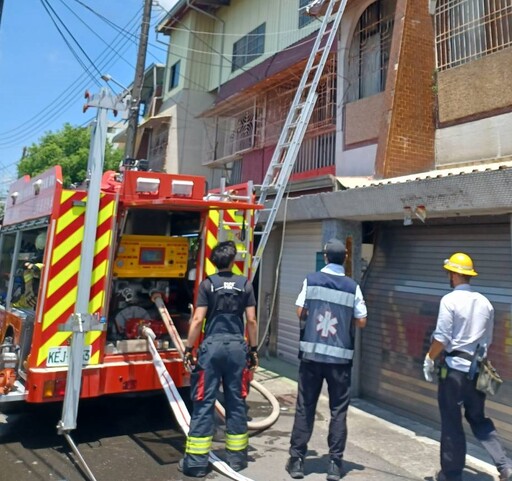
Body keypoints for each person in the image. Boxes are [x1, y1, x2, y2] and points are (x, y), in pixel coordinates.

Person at [423, 252, 512, 481]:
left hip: (453, 372)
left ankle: (451, 475)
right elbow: (488, 341)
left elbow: (441, 339)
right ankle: (504, 466)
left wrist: (430, 358)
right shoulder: (485, 303)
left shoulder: (449, 300)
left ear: (453, 274)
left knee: (452, 421)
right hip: (476, 372)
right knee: (478, 418)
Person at [286, 238, 367, 481]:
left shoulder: (311, 280)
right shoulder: (353, 286)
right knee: (338, 410)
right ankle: (334, 463)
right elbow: (362, 320)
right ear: (345, 259)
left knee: (305, 407)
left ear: (325, 256)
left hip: (311, 357)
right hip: (340, 361)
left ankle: (298, 460)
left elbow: (300, 310)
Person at [179, 240, 259, 477]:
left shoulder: (207, 285)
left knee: (204, 402)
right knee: (236, 402)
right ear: (233, 261)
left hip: (212, 348)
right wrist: (253, 350)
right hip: (237, 348)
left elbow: (197, 320)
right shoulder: (245, 284)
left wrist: (188, 349)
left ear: (214, 262)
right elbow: (252, 321)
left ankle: (195, 464)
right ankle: (236, 460)